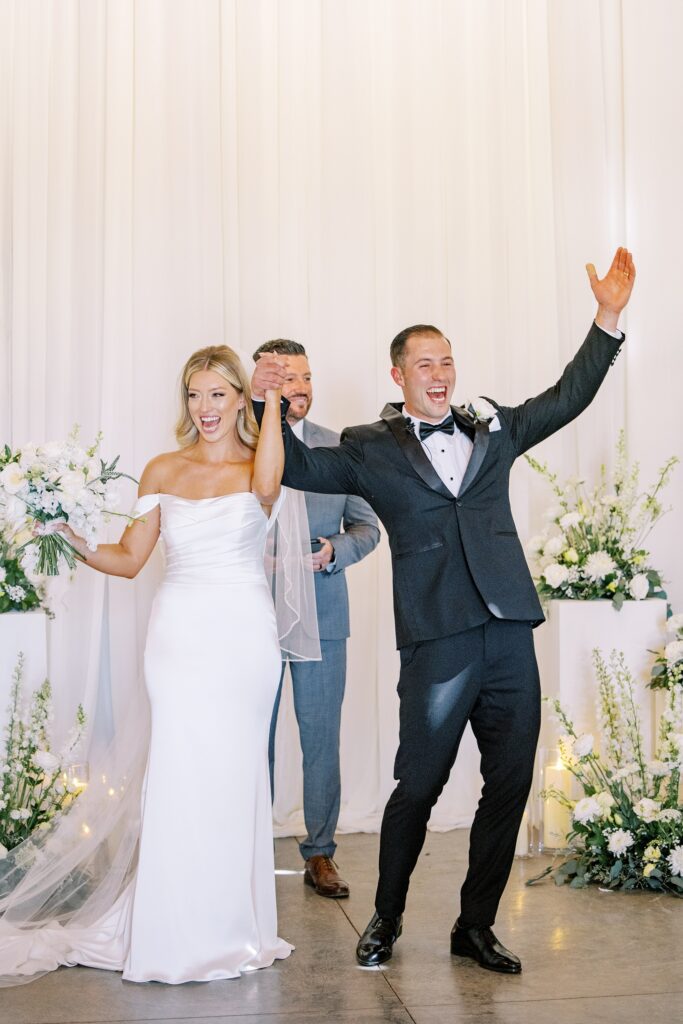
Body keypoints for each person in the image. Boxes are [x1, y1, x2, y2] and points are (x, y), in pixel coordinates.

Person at [251, 248, 636, 973]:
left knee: (510, 784)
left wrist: (606, 317)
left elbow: (566, 395)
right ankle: (386, 917)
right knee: (417, 788)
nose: (439, 374)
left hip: (508, 635)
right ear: (396, 375)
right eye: (424, 363)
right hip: (436, 642)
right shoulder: (368, 448)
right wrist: (264, 404)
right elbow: (293, 469)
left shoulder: (493, 428)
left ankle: (474, 925)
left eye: (447, 361)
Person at [0, 345, 317, 985]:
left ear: (239, 400)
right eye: (195, 396)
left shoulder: (262, 463)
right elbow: (128, 559)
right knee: (179, 774)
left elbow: (266, 490)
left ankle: (234, 926)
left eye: (219, 395)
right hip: (178, 638)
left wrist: (275, 398)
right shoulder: (160, 470)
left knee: (234, 776)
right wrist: (67, 530)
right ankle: (172, 928)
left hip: (243, 639)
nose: (205, 409)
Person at [253, 340, 380, 899]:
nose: (300, 388)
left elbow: (368, 528)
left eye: (306, 377)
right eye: (287, 379)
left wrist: (332, 551)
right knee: (251, 735)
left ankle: (321, 853)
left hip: (325, 613)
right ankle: (248, 847)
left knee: (320, 736)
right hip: (249, 613)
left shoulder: (340, 447)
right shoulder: (237, 440)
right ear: (265, 383)